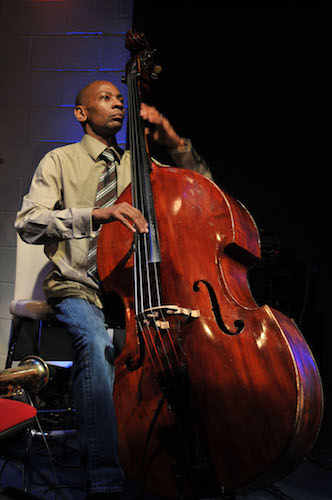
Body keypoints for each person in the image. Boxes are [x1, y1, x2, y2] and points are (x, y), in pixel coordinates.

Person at [15, 80, 212, 499]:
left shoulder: (138, 166)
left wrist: (174, 141)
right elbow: (28, 223)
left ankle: (183, 464)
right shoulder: (60, 160)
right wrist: (96, 214)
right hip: (77, 284)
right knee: (95, 342)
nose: (118, 104)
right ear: (81, 113)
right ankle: (105, 480)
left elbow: (203, 191)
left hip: (134, 289)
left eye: (121, 99)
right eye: (105, 98)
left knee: (184, 352)